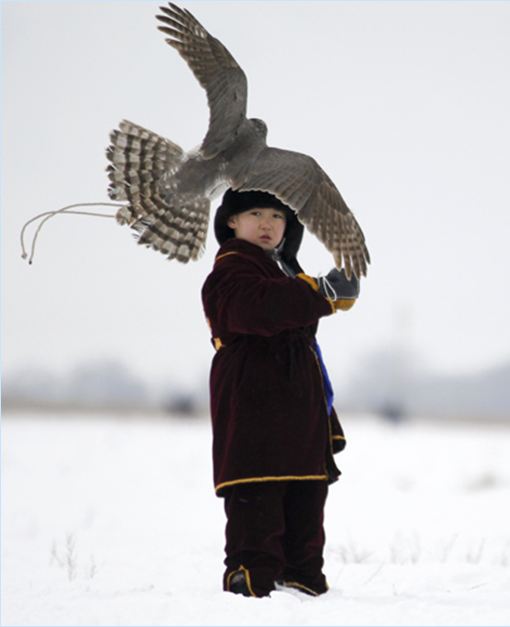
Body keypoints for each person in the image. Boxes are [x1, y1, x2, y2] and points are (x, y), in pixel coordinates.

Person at [201, 189, 359, 598]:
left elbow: (290, 310)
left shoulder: (284, 270)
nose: (268, 223)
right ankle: (249, 590)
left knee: (307, 501)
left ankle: (303, 585)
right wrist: (318, 292)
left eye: (277, 216)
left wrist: (322, 291)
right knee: (259, 495)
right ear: (232, 221)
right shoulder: (231, 271)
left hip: (298, 407)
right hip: (254, 404)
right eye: (255, 213)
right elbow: (256, 309)